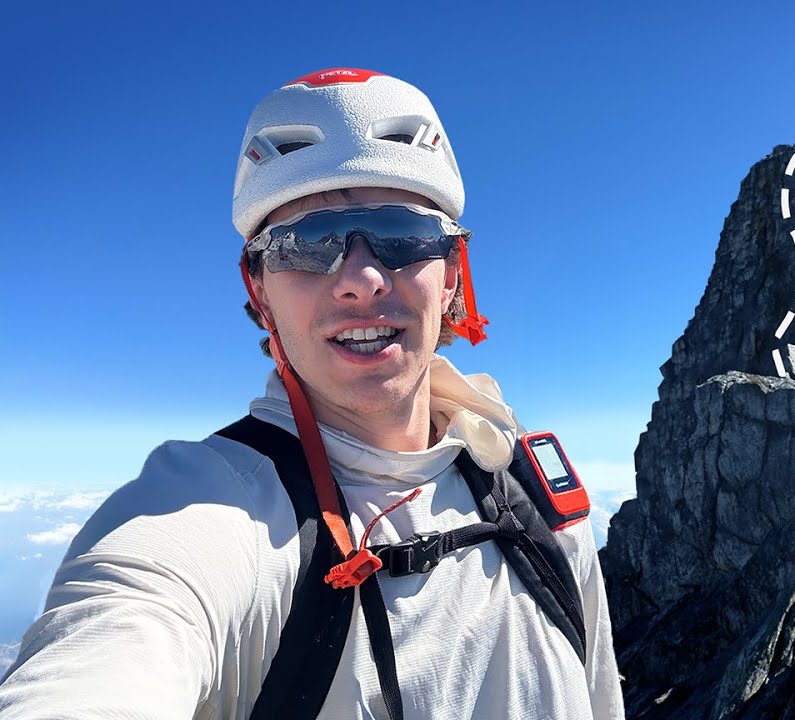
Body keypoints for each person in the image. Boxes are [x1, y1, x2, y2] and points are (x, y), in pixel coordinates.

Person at [0, 68, 626, 719]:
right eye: (305, 245)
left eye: (401, 235)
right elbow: (112, 640)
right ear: (261, 293)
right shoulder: (203, 512)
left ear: (451, 279)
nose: (360, 279)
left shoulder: (537, 495)